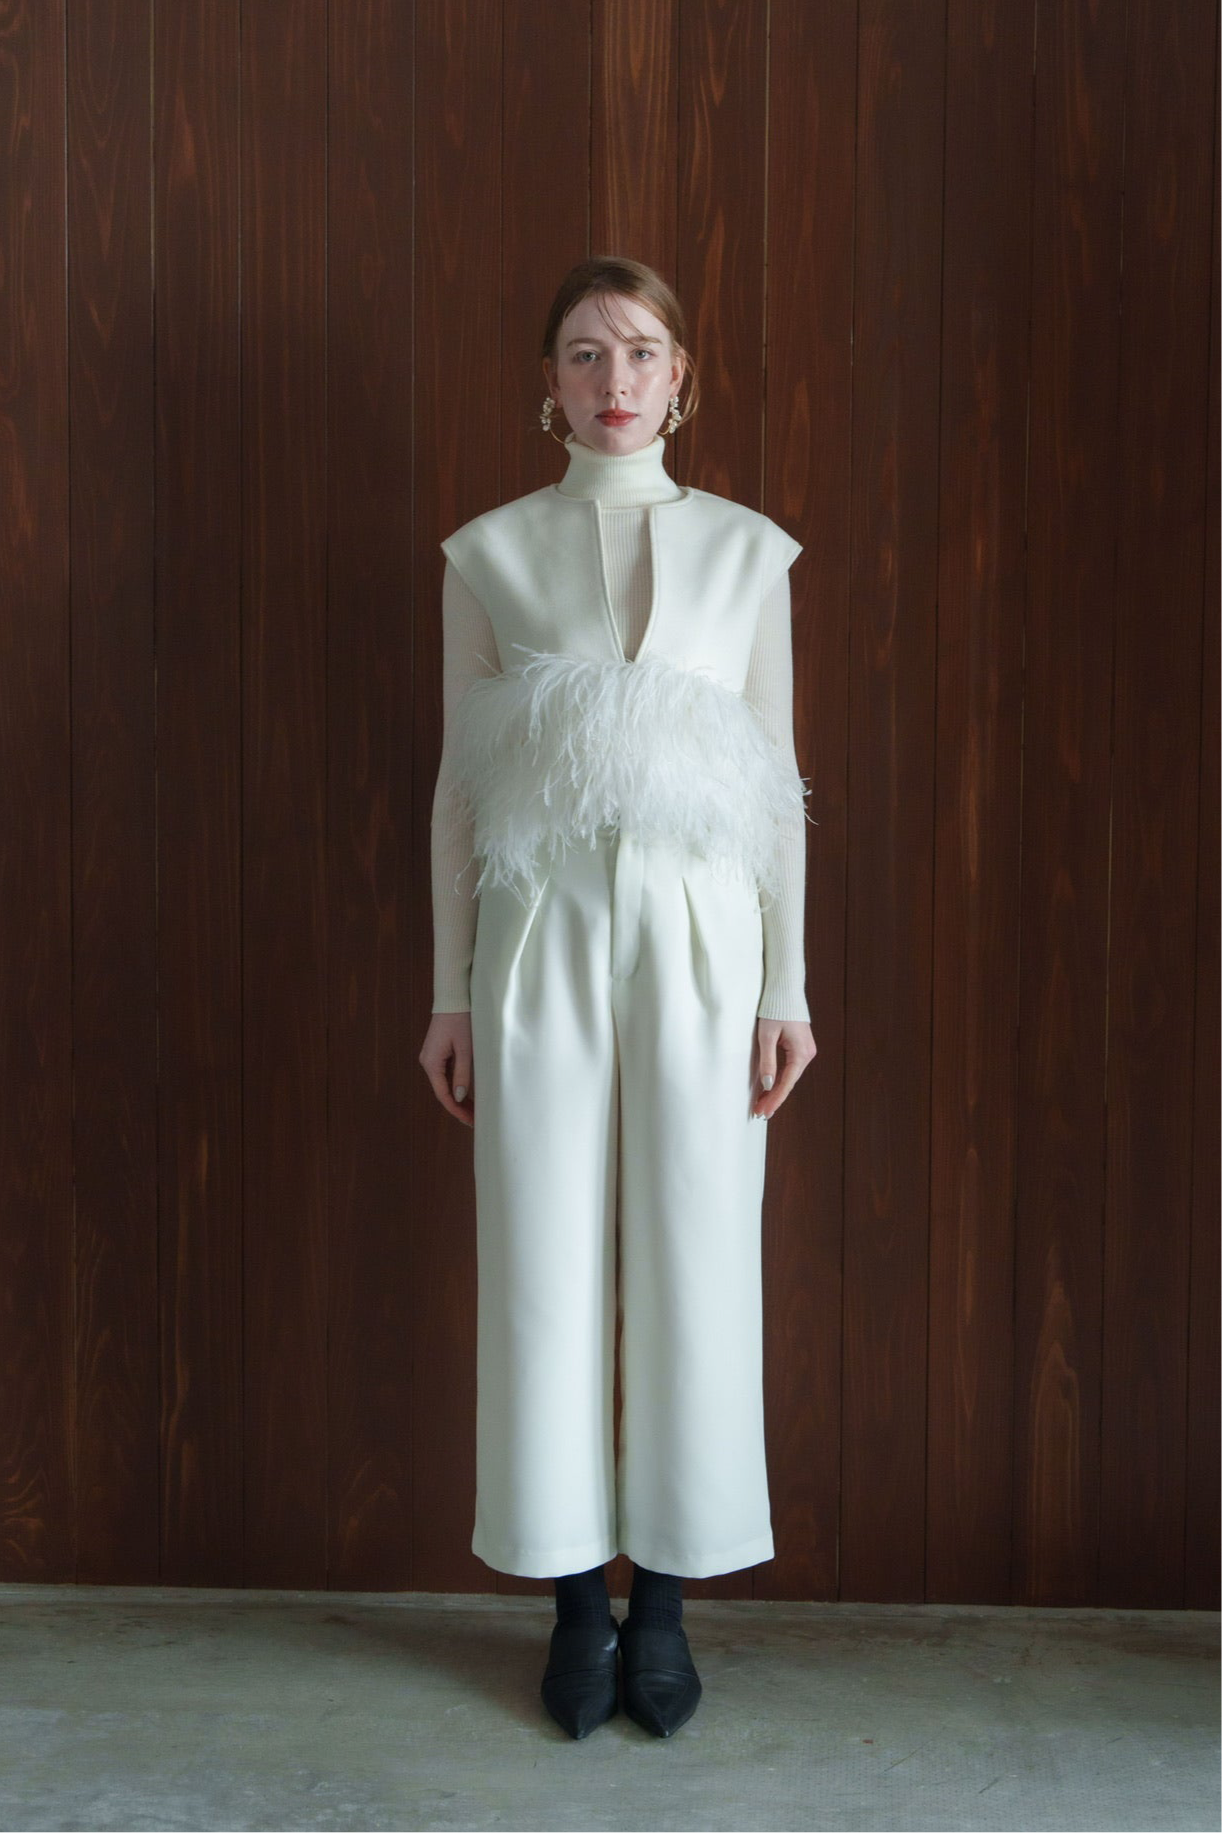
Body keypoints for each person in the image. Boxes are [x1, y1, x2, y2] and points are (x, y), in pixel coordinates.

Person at [418, 256, 817, 1740]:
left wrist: (787, 985)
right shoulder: (490, 555)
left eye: (640, 351)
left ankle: (666, 1607)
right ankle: (573, 1602)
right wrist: (450, 993)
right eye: (584, 354)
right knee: (541, 1254)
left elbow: (777, 789)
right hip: (538, 934)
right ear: (549, 382)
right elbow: (460, 795)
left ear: (680, 377)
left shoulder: (747, 555)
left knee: (699, 1251)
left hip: (704, 945)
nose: (613, 380)